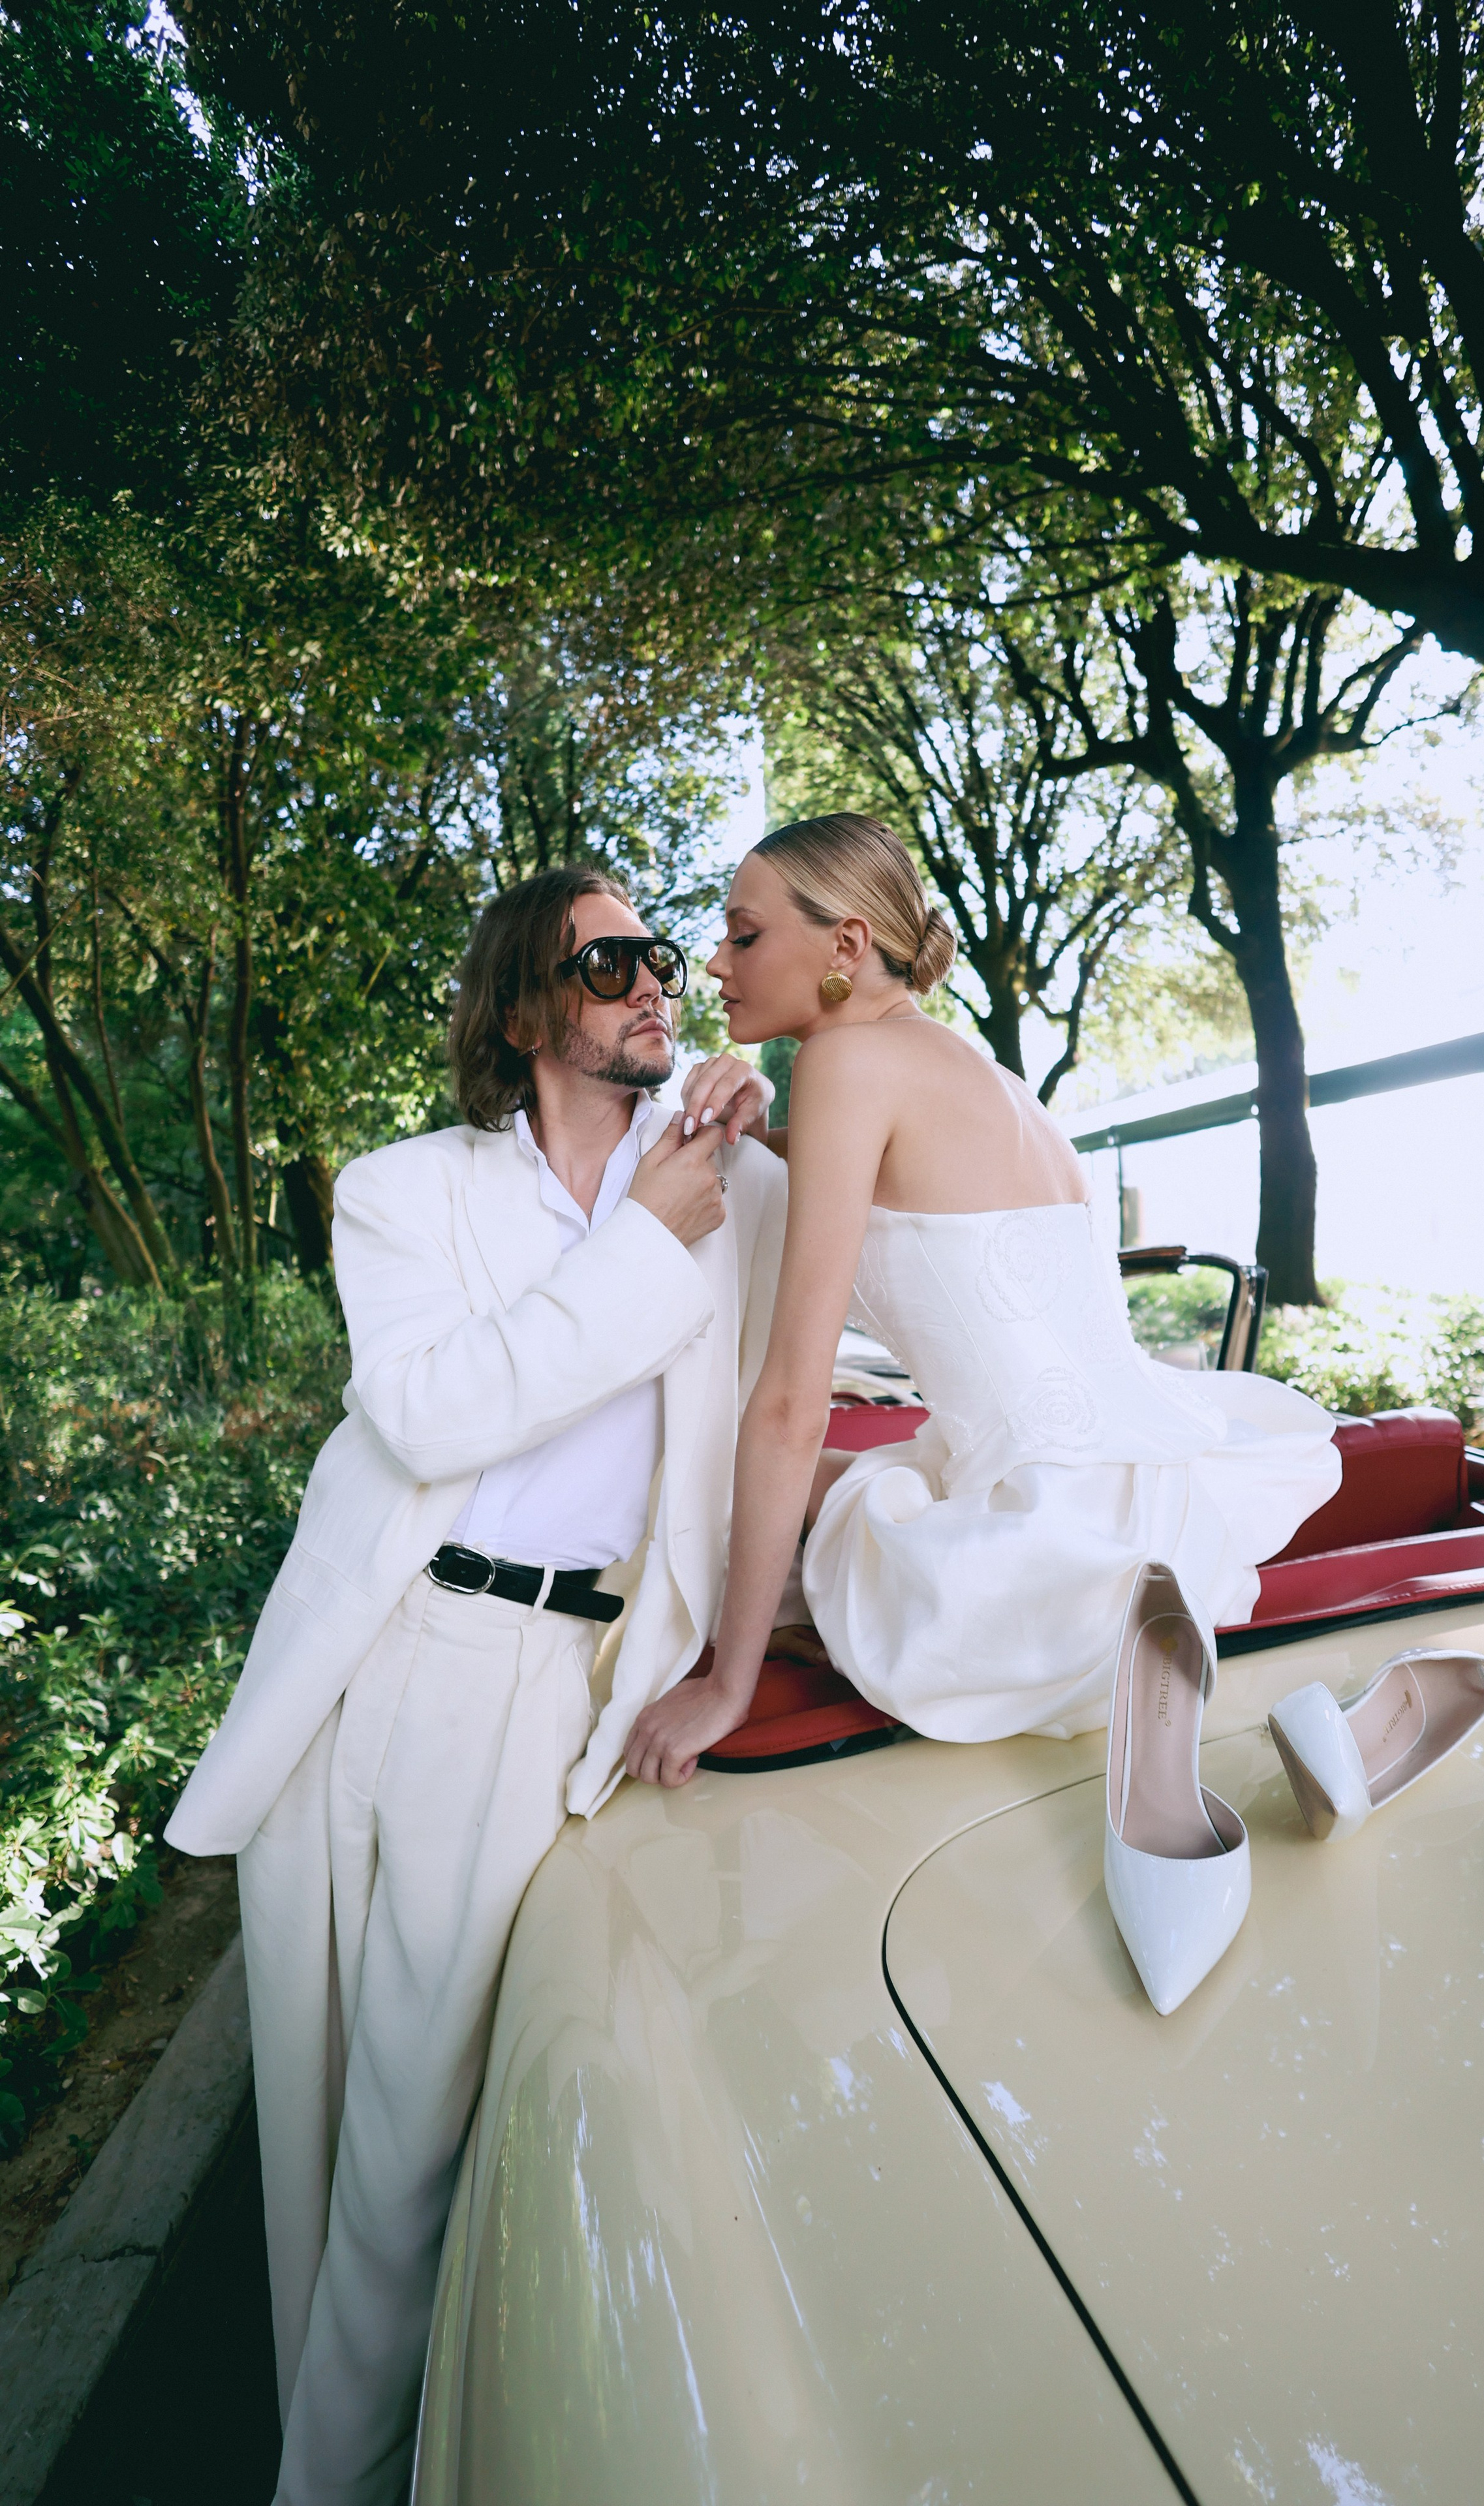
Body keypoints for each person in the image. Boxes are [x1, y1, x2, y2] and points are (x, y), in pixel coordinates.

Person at [164, 864, 785, 2506]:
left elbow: (821, 1348)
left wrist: (764, 1118)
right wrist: (645, 1245)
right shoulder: (401, 1192)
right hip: (401, 1666)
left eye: (667, 957)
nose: (660, 982)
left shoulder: (726, 1190)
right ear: (524, 1011)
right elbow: (435, 1416)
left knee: (440, 2140)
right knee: (350, 2145)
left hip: (568, 1678)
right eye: (613, 963)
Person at [624, 812, 1341, 1789]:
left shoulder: (844, 1063)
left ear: (847, 944)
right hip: (1155, 1493)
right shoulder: (983, 1075)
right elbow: (892, 1193)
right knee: (778, 1496)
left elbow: (793, 1403)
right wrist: (760, 1132)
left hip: (1041, 1546)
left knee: (708, 1486)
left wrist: (727, 1689)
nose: (712, 963)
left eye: (744, 934)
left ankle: (801, 1641)